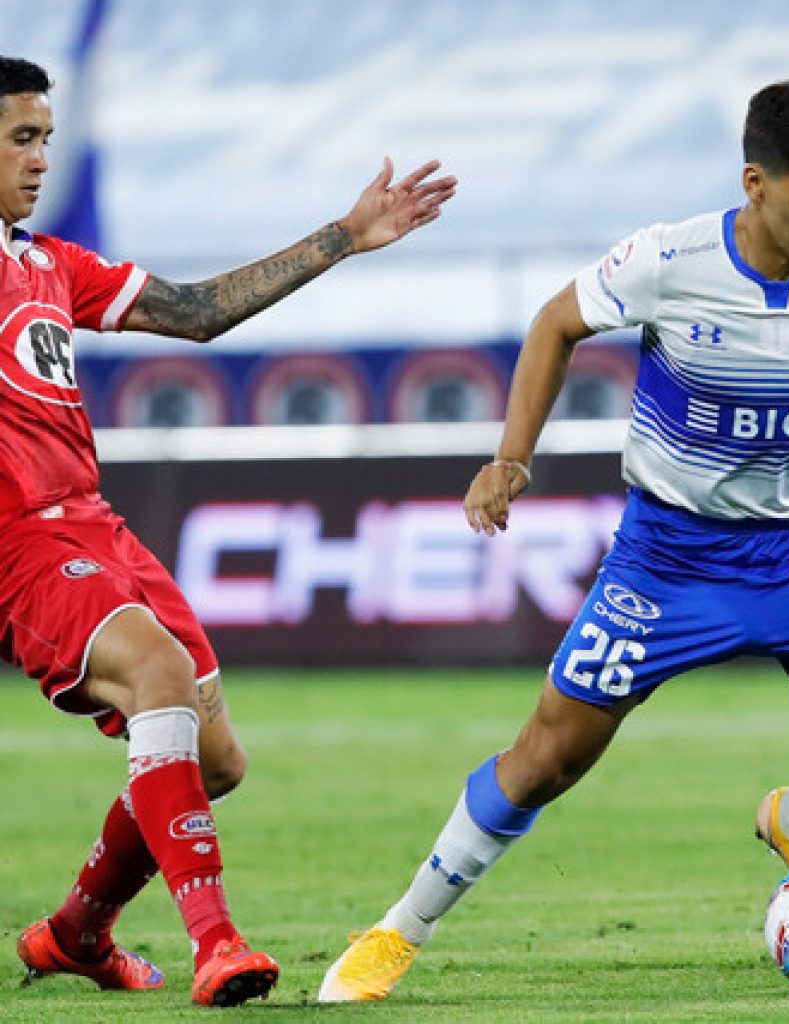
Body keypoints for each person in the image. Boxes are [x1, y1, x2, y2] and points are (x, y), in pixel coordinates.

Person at [318, 78, 789, 1003]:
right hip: (670, 560)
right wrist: (511, 459)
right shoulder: (667, 260)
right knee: (546, 759)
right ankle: (398, 929)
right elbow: (556, 323)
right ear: (756, 183)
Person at [0, 55, 455, 1008]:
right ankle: (218, 943)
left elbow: (198, 313)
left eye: (45, 138)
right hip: (20, 544)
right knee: (159, 676)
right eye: (21, 139)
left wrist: (344, 237)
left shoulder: (47, 264)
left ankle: (77, 933)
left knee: (216, 762)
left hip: (97, 526)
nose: (40, 159)